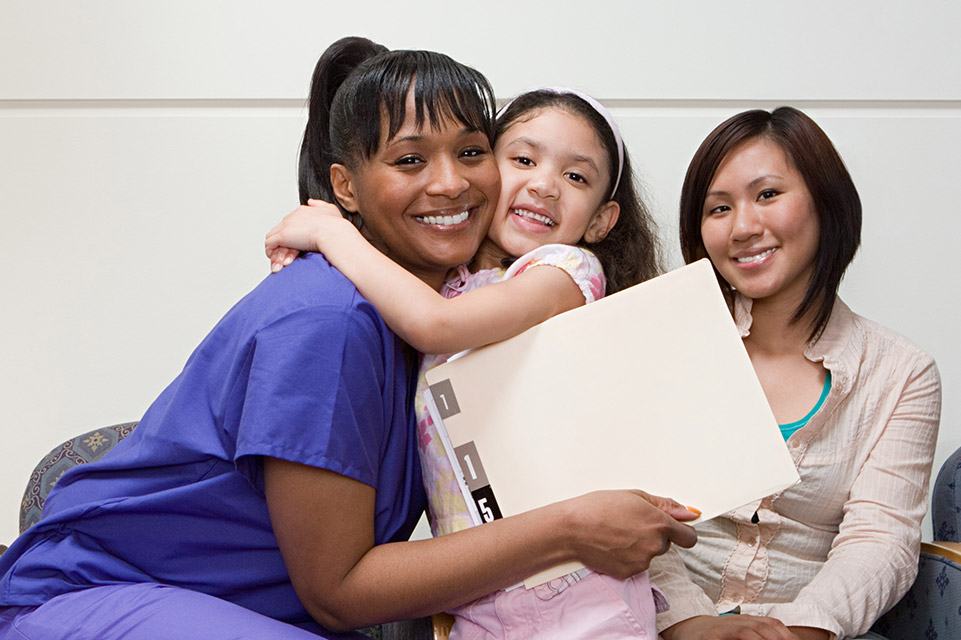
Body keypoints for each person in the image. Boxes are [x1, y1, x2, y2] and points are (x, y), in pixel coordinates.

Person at [0, 38, 697, 640]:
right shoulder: (329, 319)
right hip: (88, 599)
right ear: (347, 187)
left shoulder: (442, 322)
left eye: (471, 151)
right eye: (409, 160)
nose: (450, 182)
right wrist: (568, 530)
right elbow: (339, 593)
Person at [266, 87, 680, 639]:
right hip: (476, 598)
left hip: (580, 592)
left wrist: (332, 233)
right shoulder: (451, 281)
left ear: (602, 221)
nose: (544, 183)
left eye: (576, 177)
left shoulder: (565, 273)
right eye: (523, 159)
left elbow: (435, 325)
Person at [648, 107, 942, 640]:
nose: (743, 227)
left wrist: (799, 630)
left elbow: (880, 541)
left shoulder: (902, 372)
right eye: (718, 209)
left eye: (767, 195)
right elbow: (629, 503)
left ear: (826, 204)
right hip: (653, 624)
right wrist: (690, 625)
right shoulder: (670, 338)